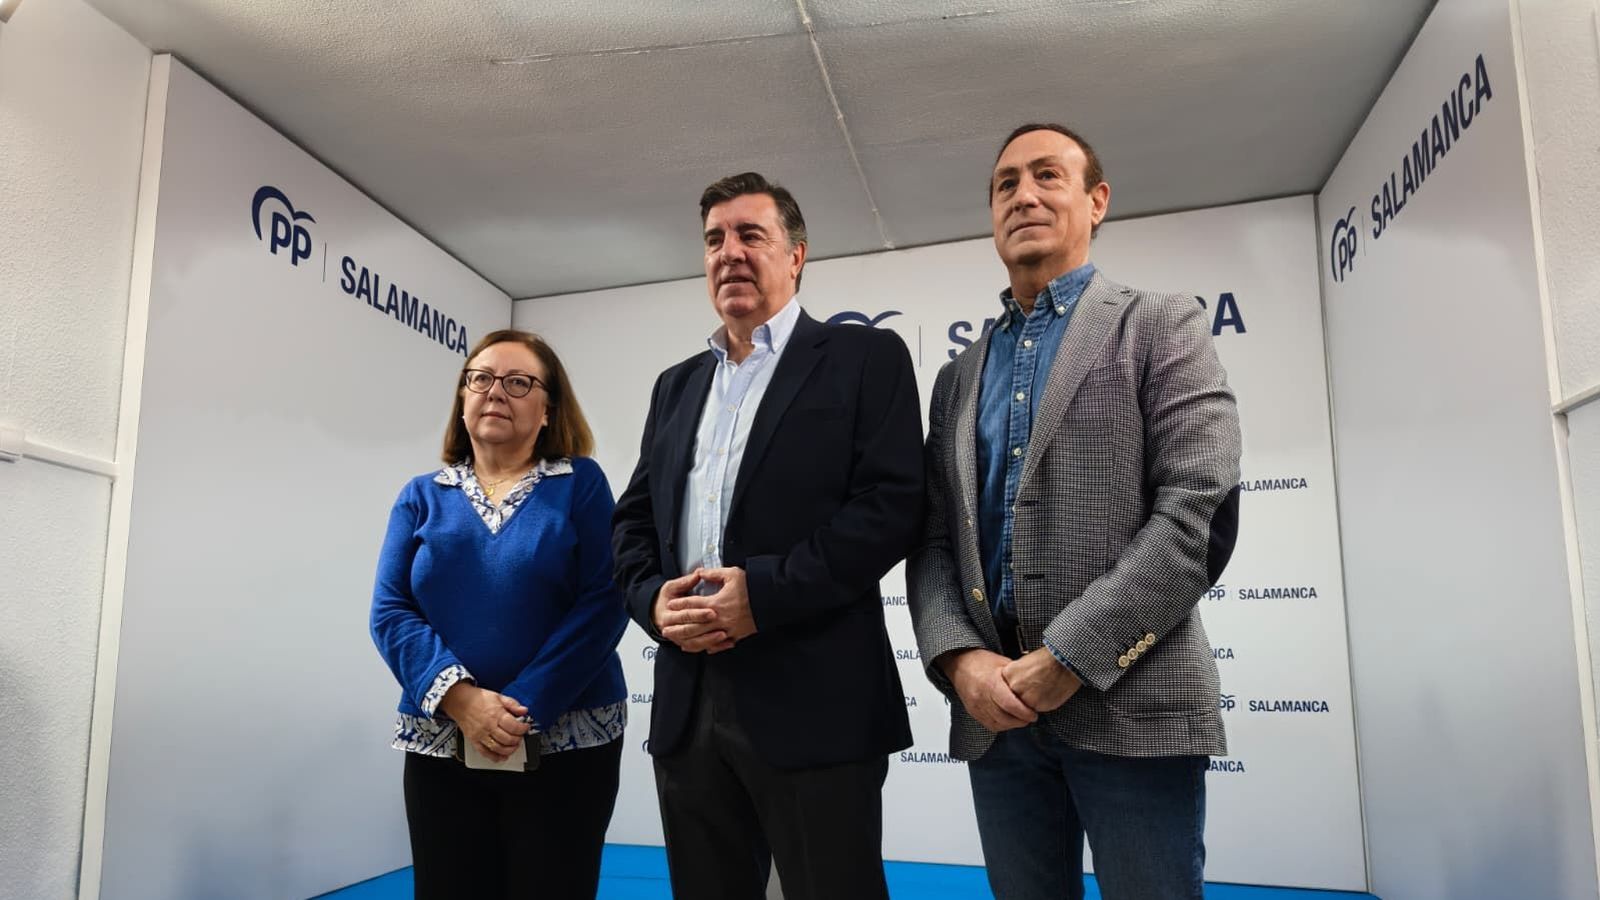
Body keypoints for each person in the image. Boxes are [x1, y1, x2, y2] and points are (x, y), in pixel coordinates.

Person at [907, 123, 1242, 900]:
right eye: (1005, 184)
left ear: (1096, 202)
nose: (1023, 195)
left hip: (1133, 704)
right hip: (999, 719)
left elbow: (1199, 511)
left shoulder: (1162, 323)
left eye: (1047, 177)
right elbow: (929, 542)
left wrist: (1069, 659)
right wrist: (961, 663)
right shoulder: (958, 377)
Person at [611, 172, 924, 900]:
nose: (730, 253)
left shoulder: (863, 358)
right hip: (689, 705)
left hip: (815, 700)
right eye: (715, 239)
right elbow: (632, 521)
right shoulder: (676, 384)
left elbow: (891, 507)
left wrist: (766, 595)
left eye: (751, 235)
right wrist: (653, 601)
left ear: (796, 255)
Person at [370, 329, 628, 900]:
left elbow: (605, 599)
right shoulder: (420, 494)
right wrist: (463, 702)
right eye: (480, 379)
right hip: (442, 740)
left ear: (547, 409)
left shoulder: (580, 484)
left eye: (517, 383)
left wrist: (520, 709)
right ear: (463, 399)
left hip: (566, 747)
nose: (495, 393)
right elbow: (390, 612)